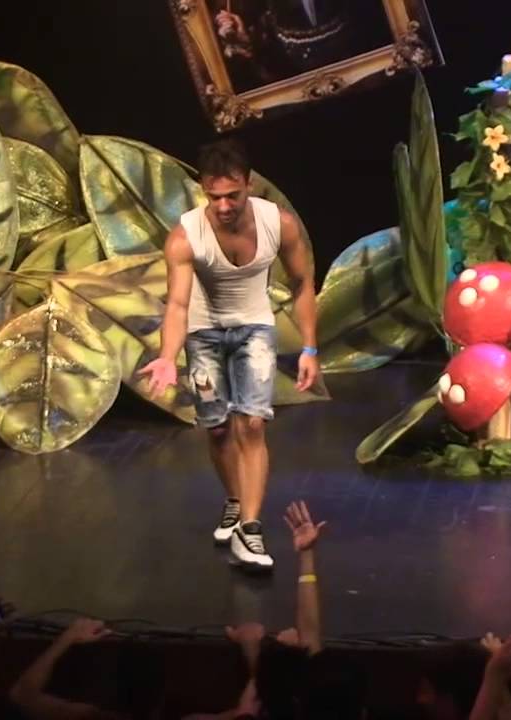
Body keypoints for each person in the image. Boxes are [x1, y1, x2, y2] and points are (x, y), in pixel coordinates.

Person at [139, 139, 319, 571]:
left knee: (252, 423)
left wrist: (310, 347)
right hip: (203, 333)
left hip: (255, 328)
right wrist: (167, 355)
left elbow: (302, 282)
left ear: (249, 184)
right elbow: (177, 304)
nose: (223, 206)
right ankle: (235, 501)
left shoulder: (279, 224)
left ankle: (249, 530)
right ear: (203, 190)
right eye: (214, 196)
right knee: (219, 429)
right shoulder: (186, 236)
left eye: (232, 195)